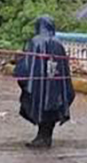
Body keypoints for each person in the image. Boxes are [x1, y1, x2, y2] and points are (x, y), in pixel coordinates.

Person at [15, 16, 75, 149]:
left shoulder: (35, 42)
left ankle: (42, 138)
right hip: (56, 85)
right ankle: (45, 137)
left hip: (38, 85)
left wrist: (19, 63)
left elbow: (27, 65)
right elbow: (64, 68)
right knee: (52, 108)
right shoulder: (59, 44)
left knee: (39, 106)